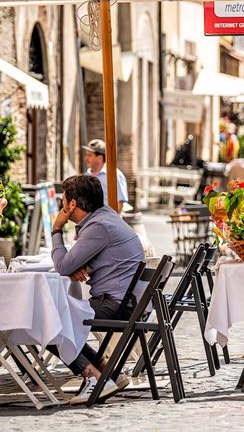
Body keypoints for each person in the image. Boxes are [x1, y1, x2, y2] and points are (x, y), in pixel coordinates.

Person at [49, 175, 145, 403]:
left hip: (116, 304)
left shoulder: (98, 227)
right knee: (59, 315)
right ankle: (108, 371)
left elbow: (62, 265)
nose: (62, 204)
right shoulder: (106, 216)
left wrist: (56, 230)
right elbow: (74, 262)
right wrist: (77, 265)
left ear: (72, 204)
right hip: (129, 301)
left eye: (64, 199)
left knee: (48, 318)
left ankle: (92, 376)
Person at [83, 139, 129, 212]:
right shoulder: (87, 176)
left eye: (89, 155)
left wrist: (110, 221)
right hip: (92, 222)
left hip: (108, 221)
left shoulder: (114, 175)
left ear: (100, 158)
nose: (86, 159)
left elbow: (119, 204)